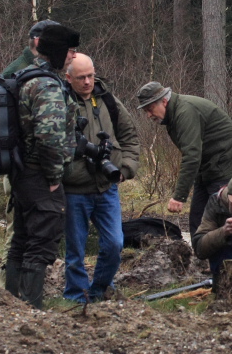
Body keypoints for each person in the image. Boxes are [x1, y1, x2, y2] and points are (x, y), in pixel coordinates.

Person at [4, 24, 80, 309]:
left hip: (23, 174)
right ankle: (31, 310)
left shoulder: (26, 76)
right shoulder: (46, 84)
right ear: (59, 51)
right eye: (71, 50)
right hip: (39, 175)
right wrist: (54, 176)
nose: (73, 56)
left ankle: (9, 306)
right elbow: (49, 136)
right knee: (41, 243)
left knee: (21, 240)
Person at [62, 53, 140, 303]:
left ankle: (99, 289)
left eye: (91, 75)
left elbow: (129, 136)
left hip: (107, 186)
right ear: (68, 77)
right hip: (74, 189)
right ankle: (76, 296)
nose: (87, 82)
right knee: (76, 249)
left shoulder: (108, 101)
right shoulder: (59, 101)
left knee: (115, 244)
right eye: (81, 77)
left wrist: (126, 168)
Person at [0, 19, 60, 291]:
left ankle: (17, 290)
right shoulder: (23, 71)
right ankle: (7, 291)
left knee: (26, 232)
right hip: (24, 165)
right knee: (19, 233)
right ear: (37, 42)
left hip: (23, 162)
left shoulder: (29, 69)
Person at [136, 82, 232, 235]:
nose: (149, 115)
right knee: (198, 220)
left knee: (223, 221)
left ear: (163, 101)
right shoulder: (173, 114)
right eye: (146, 111)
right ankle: (201, 257)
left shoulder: (185, 112)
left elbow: (192, 156)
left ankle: (231, 257)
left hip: (226, 164)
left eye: (150, 109)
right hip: (208, 167)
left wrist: (179, 197)